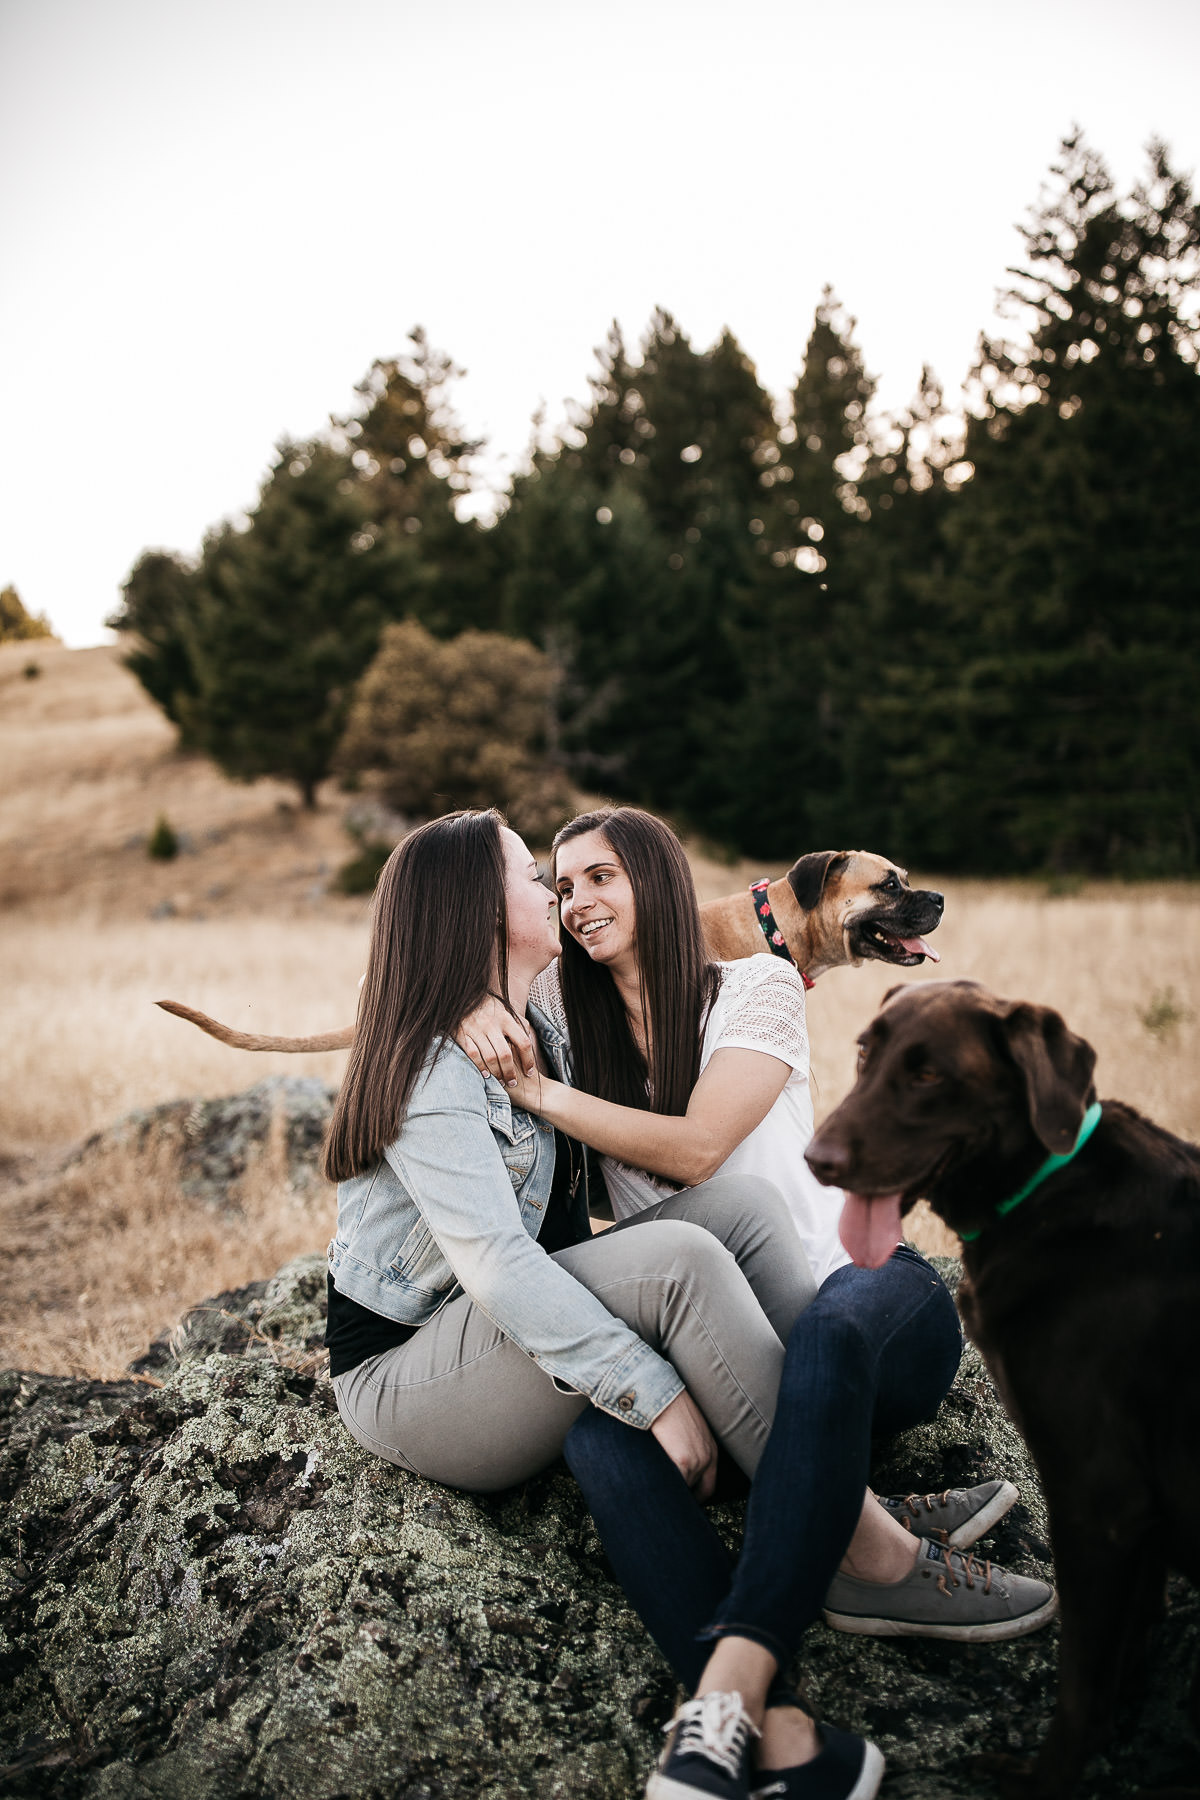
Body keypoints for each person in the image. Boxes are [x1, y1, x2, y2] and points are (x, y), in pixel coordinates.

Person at [459, 806, 1055, 1800]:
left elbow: (701, 1149)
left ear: (658, 880)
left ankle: (836, 1595)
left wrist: (543, 1097)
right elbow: (440, 985)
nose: (578, 902)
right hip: (723, 1345)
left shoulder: (758, 984)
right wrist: (465, 1008)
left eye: (602, 877)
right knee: (600, 1442)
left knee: (823, 1330)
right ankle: (771, 1726)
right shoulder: (563, 1015)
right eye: (562, 887)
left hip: (860, 1297)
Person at [323, 805, 820, 1514]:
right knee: (679, 1261)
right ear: (480, 912)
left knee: (745, 1210)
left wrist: (476, 1000)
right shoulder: (435, 1063)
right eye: (539, 879)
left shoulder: (539, 1026)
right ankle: (852, 1543)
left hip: (510, 1325)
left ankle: (831, 1455)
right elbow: (496, 1261)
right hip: (413, 1373)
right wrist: (652, 1391)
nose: (561, 899)